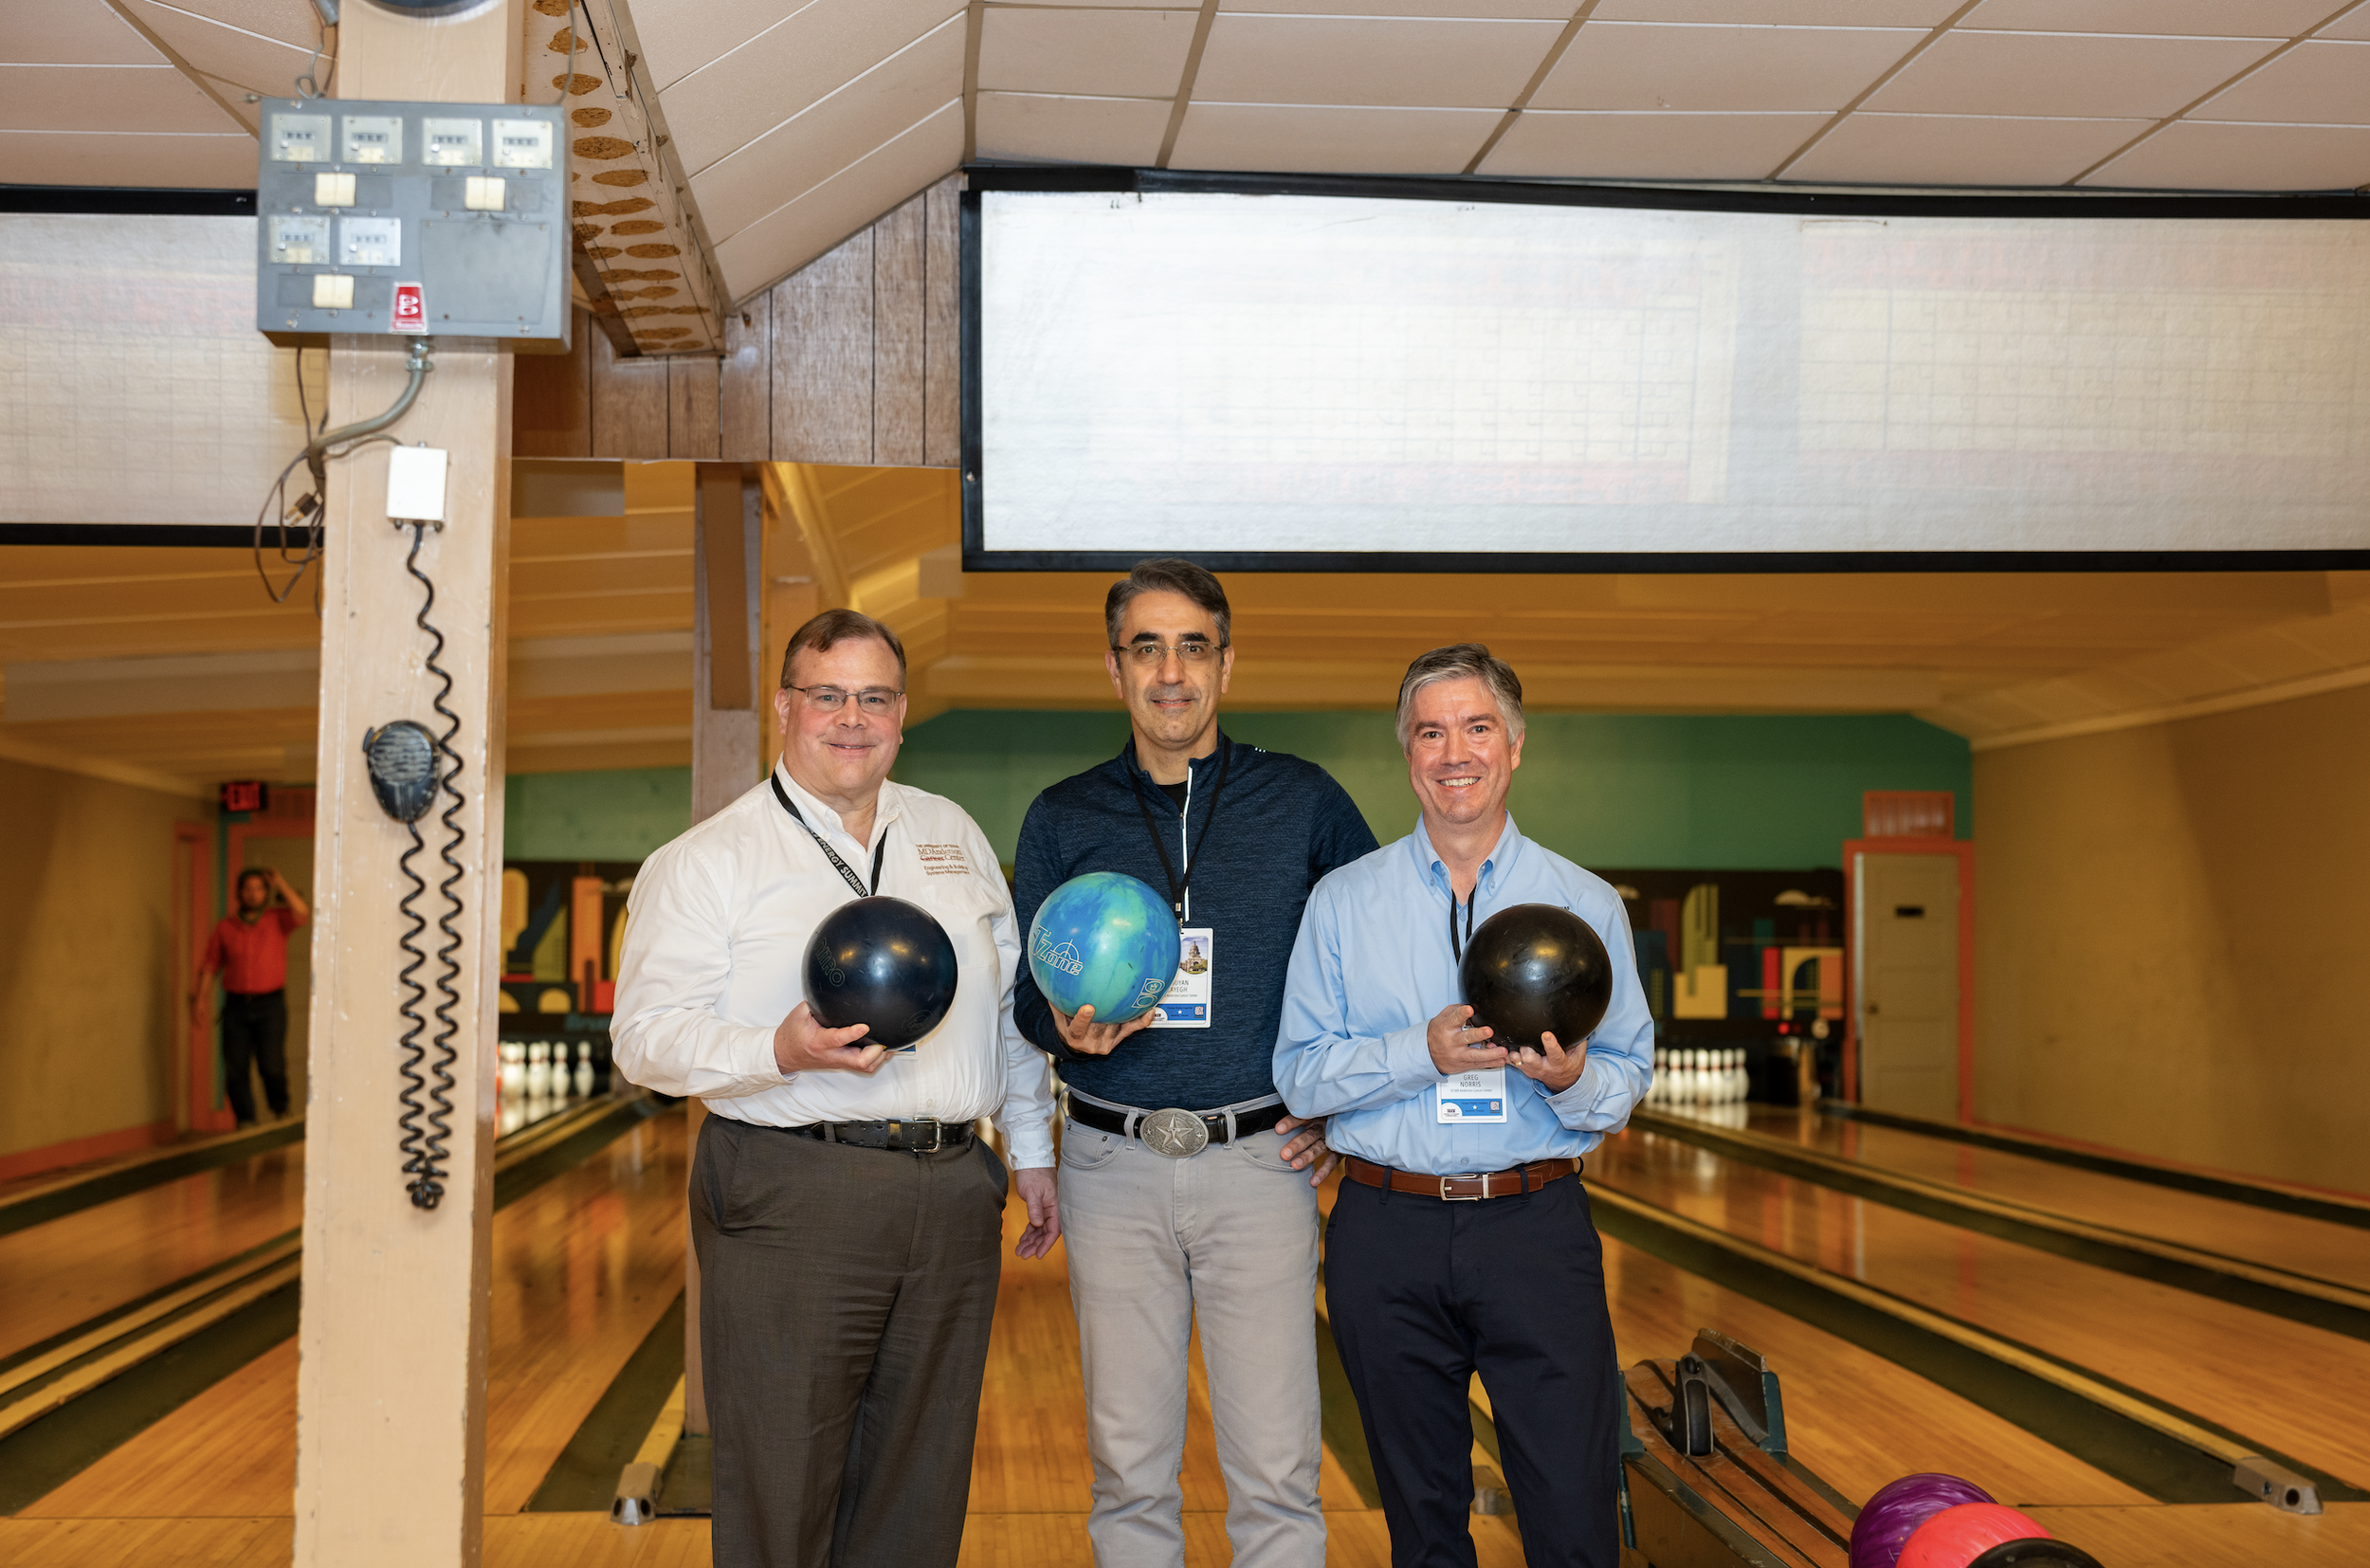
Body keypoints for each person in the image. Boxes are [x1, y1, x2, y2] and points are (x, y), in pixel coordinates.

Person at [611, 609, 1058, 1568]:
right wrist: (777, 1047)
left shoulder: (951, 833)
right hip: (790, 1188)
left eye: (875, 697)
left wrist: (1031, 1151)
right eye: (829, 695)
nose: (852, 718)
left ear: (901, 715)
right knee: (783, 1480)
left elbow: (1008, 1005)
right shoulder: (706, 862)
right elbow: (642, 1040)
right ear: (784, 707)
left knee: (920, 1480)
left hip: (948, 1187)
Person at [1012, 557, 1378, 1568]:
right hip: (1109, 1166)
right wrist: (1062, 1031)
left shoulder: (1302, 801)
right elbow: (1021, 1003)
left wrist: (1338, 1114)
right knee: (1128, 1472)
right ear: (1113, 666)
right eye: (1146, 646)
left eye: (1192, 646)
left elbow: (1376, 961)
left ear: (1225, 662)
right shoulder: (1062, 816)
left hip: (1259, 1163)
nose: (1170, 671)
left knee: (1276, 1472)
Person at [1274, 644, 1653, 1568]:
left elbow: (1628, 1075)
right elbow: (1300, 1073)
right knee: (1422, 1516)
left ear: (1514, 745)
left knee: (1571, 1509)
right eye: (1430, 731)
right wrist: (1421, 1053)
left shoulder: (1585, 903)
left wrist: (1570, 1082)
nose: (1455, 752)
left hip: (1534, 1223)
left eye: (1476, 727)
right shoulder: (1341, 901)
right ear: (1406, 751)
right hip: (1385, 1227)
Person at [191, 866, 309, 1126]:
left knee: (271, 1065)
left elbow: (302, 912)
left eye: (259, 889)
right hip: (236, 1007)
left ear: (265, 893)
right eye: (248, 889)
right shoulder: (225, 928)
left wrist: (280, 882)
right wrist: (200, 1000)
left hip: (271, 1005)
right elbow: (210, 966)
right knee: (236, 1070)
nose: (253, 895)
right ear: (239, 894)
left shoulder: (277, 920)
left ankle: (281, 1109)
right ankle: (245, 1121)